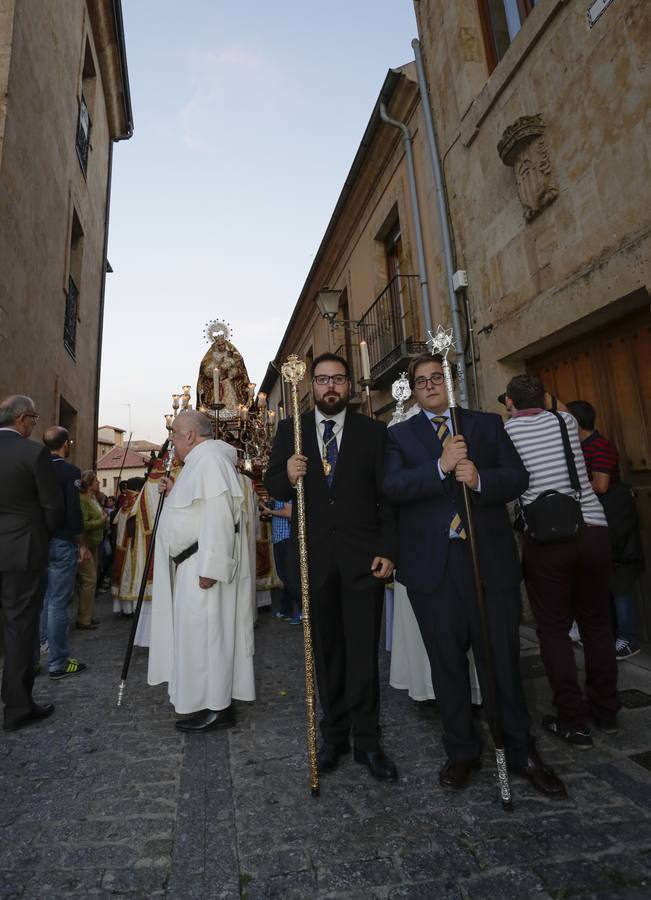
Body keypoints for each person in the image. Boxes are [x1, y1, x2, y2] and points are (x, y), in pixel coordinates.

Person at [384, 356, 564, 796]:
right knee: (447, 668)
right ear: (413, 389)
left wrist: (481, 478)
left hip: (488, 564)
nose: (430, 386)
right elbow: (392, 488)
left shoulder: (485, 426)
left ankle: (519, 749)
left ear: (451, 381)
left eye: (436, 378)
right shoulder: (399, 436)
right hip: (434, 571)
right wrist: (440, 468)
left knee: (501, 662)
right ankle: (462, 751)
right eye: (421, 381)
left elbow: (518, 477)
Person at [264, 353, 399, 782]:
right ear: (312, 387)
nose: (330, 387)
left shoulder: (373, 432)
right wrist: (286, 472)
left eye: (338, 379)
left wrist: (388, 549)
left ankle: (369, 741)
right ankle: (334, 736)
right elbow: (272, 485)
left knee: (363, 652)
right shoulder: (293, 431)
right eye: (322, 380)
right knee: (326, 653)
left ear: (349, 384)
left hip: (363, 560)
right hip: (314, 559)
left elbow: (388, 498)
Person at [504, 376, 619, 750]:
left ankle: (573, 720)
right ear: (545, 398)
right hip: (593, 529)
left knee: (553, 629)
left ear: (510, 403)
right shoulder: (565, 423)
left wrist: (516, 405)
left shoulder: (509, 431)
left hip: (545, 540)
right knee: (597, 623)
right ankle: (606, 708)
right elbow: (561, 405)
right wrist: (540, 394)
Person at [148, 410, 255, 732]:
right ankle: (204, 701)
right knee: (198, 637)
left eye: (175, 434)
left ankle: (218, 707)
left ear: (192, 436)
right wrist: (173, 491)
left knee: (210, 637)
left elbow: (221, 516)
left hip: (204, 568)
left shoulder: (210, 462)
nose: (172, 439)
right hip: (193, 565)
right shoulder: (198, 464)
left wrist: (212, 567)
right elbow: (199, 509)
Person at [0, 394, 63, 731]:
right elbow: (52, 506)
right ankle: (17, 706)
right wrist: (41, 533)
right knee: (20, 628)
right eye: (35, 420)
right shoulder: (32, 451)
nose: (35, 426)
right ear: (22, 419)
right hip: (21, 552)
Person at [566, 400, 644, 661]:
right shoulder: (578, 448)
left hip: (615, 523)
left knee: (620, 584)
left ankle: (629, 639)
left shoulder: (600, 446)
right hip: (597, 524)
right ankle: (608, 635)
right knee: (602, 582)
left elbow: (600, 485)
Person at [39, 426, 88, 679]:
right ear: (65, 444)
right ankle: (58, 662)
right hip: (61, 541)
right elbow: (73, 511)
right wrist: (81, 543)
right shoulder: (69, 472)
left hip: (37, 542)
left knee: (44, 600)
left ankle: (41, 649)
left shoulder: (35, 468)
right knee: (58, 602)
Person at [260, 498, 301, 624]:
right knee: (285, 577)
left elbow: (289, 513)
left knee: (290, 577)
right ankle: (286, 611)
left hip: (286, 538)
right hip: (280, 538)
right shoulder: (278, 492)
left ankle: (303, 611)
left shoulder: (285, 491)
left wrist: (271, 511)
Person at [76, 470, 104, 630]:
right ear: (89, 483)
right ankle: (84, 619)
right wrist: (100, 521)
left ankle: (86, 615)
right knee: (89, 580)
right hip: (85, 545)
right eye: (96, 481)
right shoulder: (82, 500)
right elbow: (83, 524)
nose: (99, 483)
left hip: (94, 543)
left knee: (90, 580)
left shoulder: (93, 498)